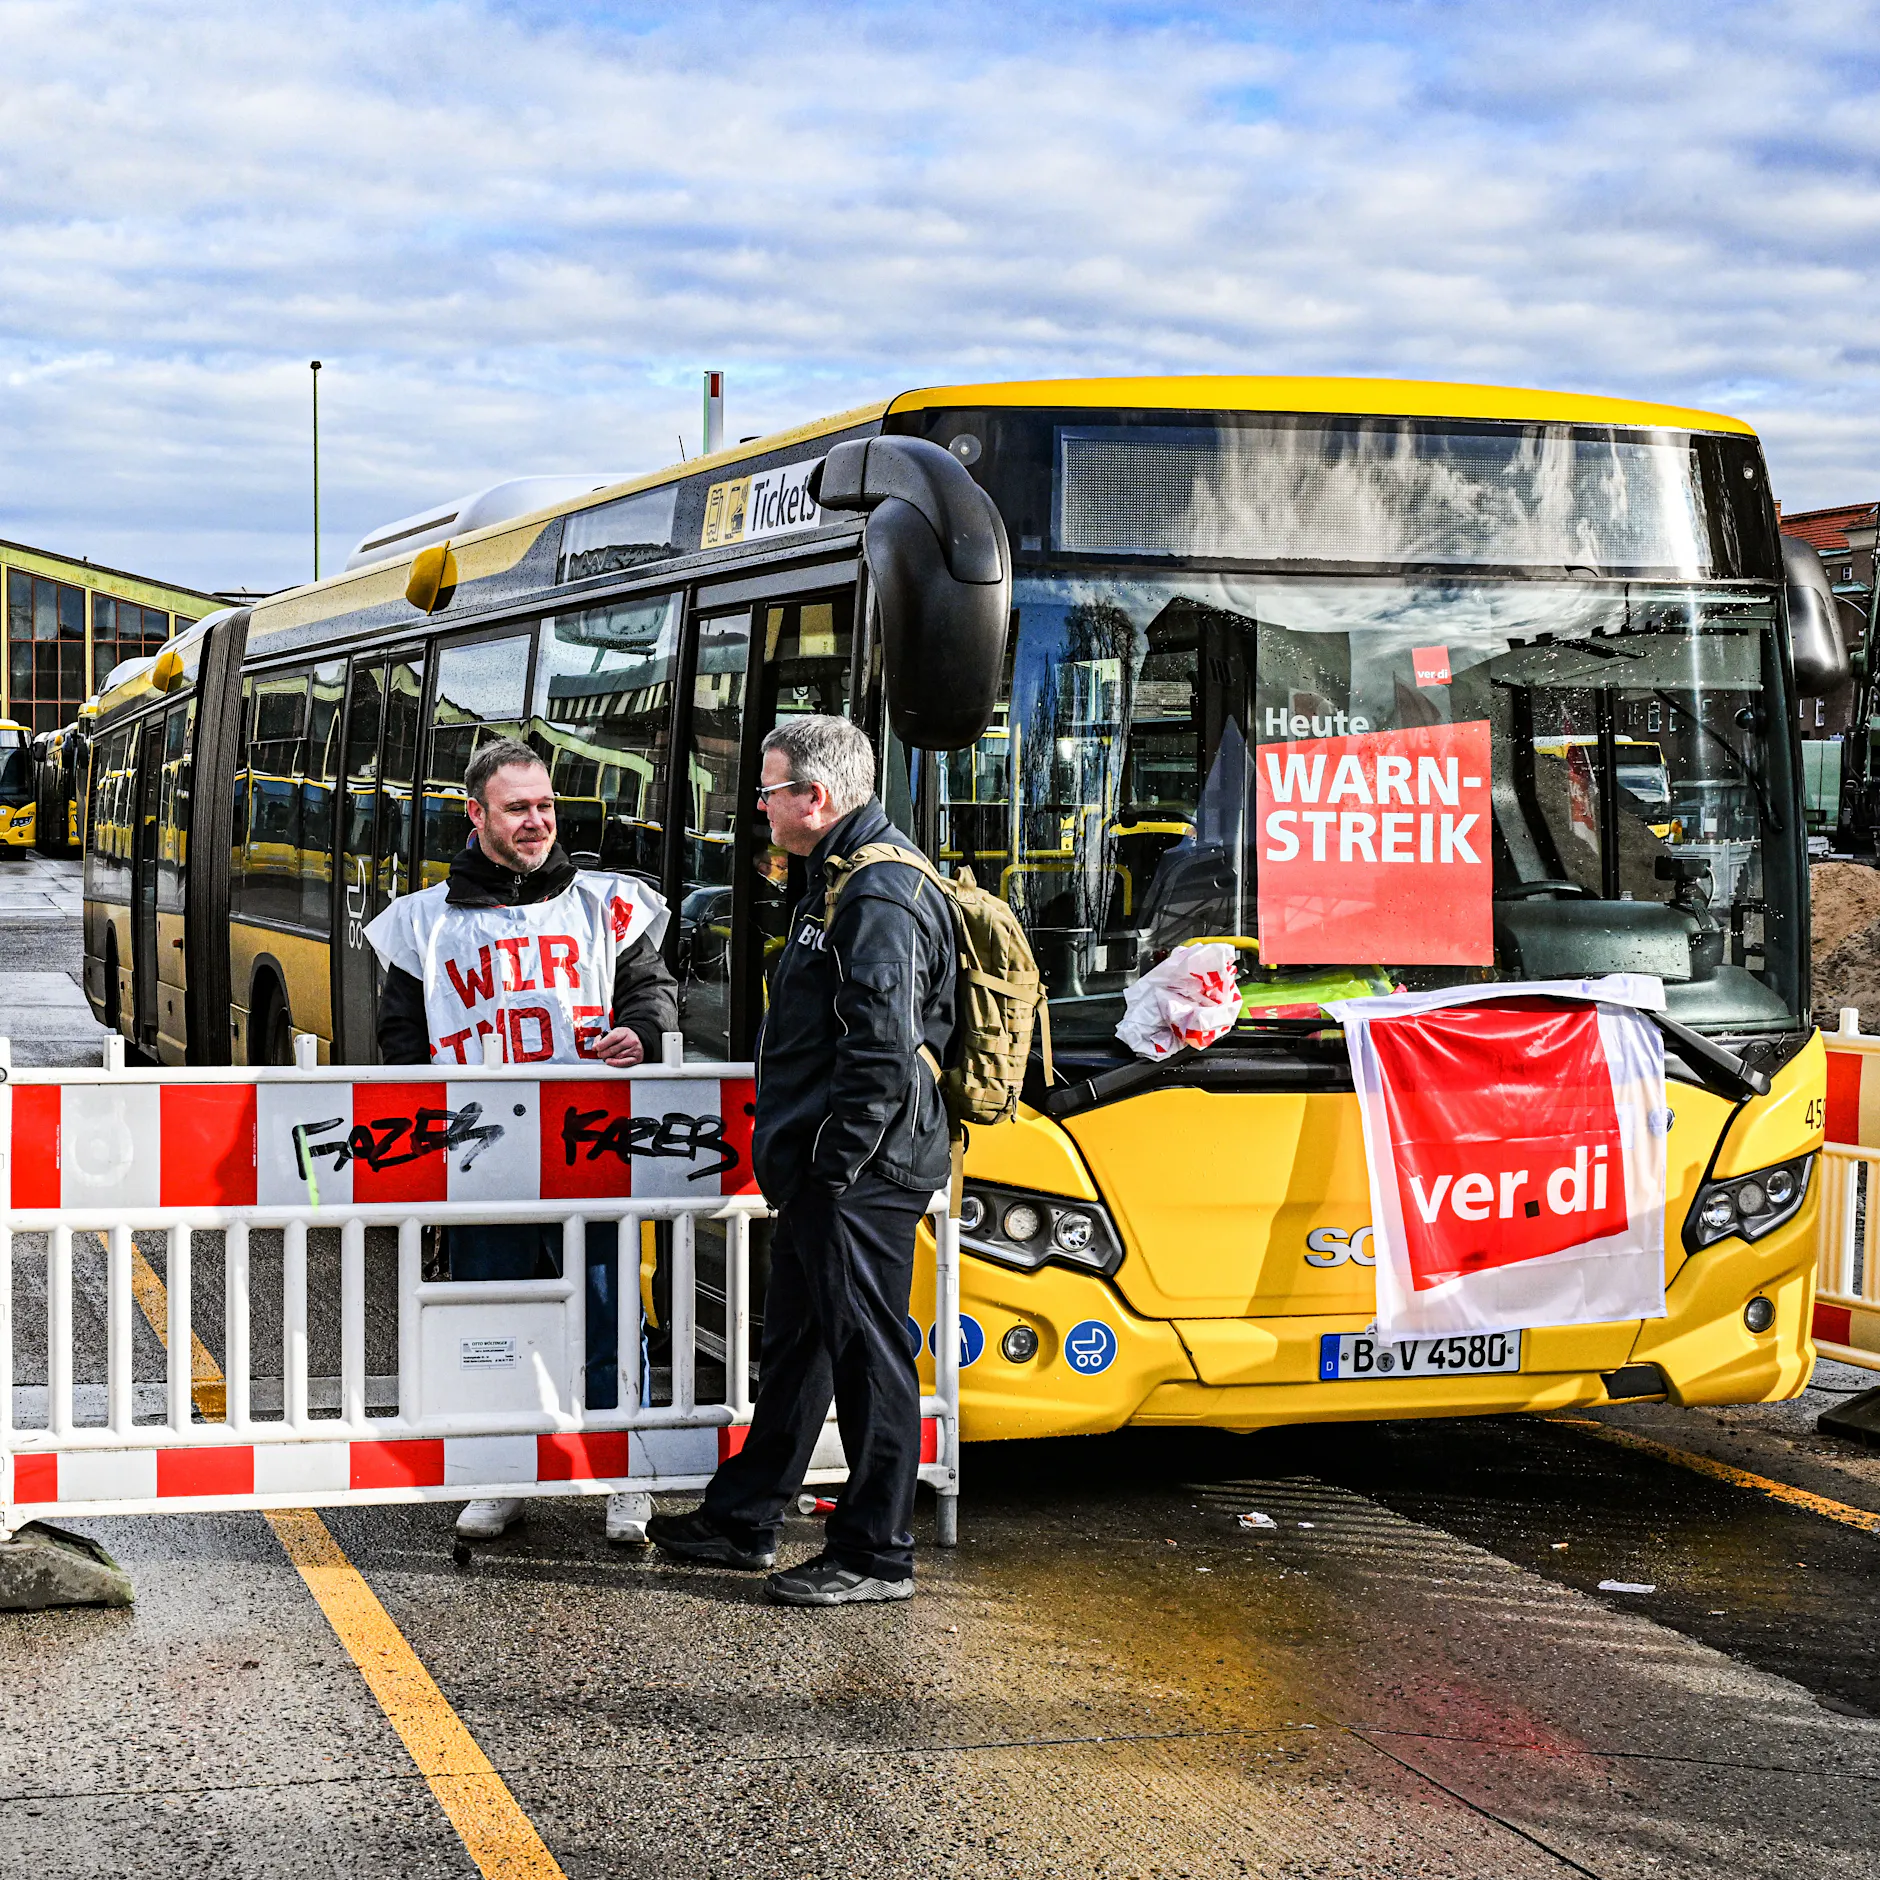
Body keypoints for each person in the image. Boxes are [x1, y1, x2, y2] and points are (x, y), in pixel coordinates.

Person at [646, 715, 956, 1606]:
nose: (760, 806)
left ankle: (875, 1552)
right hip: (834, 1170)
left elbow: (881, 1051)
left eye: (770, 790)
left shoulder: (877, 894)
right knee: (800, 1343)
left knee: (868, 1353)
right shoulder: (837, 877)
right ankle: (744, 1517)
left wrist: (834, 1163)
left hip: (861, 1174)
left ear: (813, 800)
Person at [366, 737, 678, 1543]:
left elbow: (653, 994)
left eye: (545, 805)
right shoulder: (420, 924)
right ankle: (500, 1471)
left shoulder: (609, 905)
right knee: (490, 1315)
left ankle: (623, 1473)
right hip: (483, 1160)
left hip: (594, 1147)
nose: (538, 822)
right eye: (518, 809)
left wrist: (641, 1032)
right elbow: (399, 1042)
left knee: (612, 1309)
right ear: (477, 816)